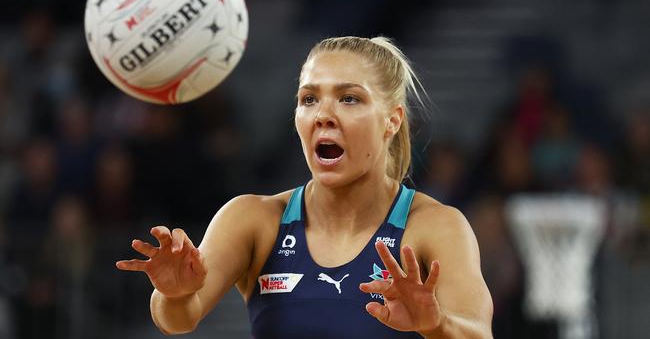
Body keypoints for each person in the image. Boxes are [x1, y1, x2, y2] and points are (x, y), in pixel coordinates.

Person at [116, 36, 493, 338]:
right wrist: (175, 293)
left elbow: (476, 332)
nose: (323, 115)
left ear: (391, 121)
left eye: (349, 98)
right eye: (309, 99)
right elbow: (177, 320)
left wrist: (436, 325)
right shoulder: (254, 219)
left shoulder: (435, 226)